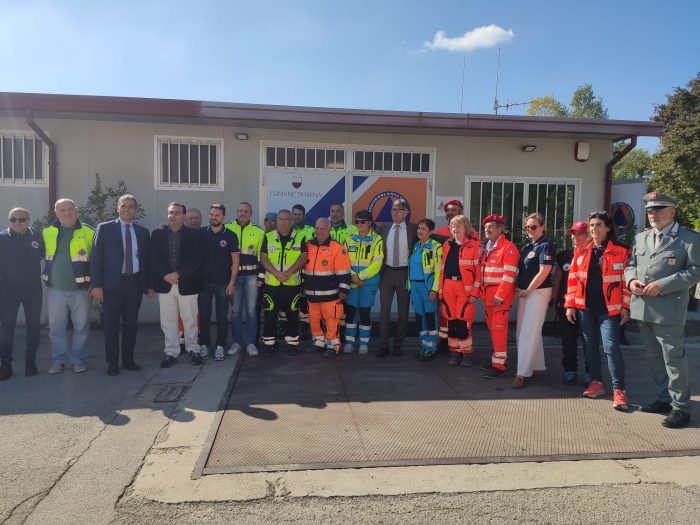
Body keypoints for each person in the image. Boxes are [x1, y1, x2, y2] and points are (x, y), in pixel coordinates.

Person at [625, 191, 700, 428]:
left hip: (669, 310)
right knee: (655, 358)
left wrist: (662, 285)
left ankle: (681, 408)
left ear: (672, 211)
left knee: (673, 360)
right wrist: (631, 281)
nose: (652, 214)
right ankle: (663, 399)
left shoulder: (689, 238)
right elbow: (631, 266)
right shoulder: (641, 238)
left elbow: (696, 270)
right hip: (643, 307)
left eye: (658, 209)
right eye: (649, 210)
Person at [565, 211, 631, 411]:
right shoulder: (582, 251)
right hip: (586, 308)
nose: (594, 229)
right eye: (591, 225)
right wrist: (570, 304)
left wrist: (626, 306)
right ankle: (596, 382)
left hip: (610, 310)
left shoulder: (622, 250)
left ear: (608, 228)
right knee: (589, 346)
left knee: (611, 348)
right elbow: (573, 279)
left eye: (599, 225)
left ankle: (619, 391)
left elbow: (627, 282)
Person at [90, 194, 153, 376]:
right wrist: (96, 285)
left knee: (131, 325)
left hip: (134, 284)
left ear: (136, 210)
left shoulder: (142, 232)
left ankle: (128, 360)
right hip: (111, 286)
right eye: (124, 206)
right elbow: (96, 259)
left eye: (131, 206)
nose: (127, 209)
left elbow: (146, 261)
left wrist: (148, 285)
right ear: (118, 208)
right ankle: (112, 362)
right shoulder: (104, 228)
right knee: (110, 326)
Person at [42, 198, 94, 374]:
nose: (66, 213)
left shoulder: (89, 232)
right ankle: (59, 360)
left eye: (70, 209)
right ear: (56, 212)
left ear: (76, 210)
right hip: (55, 289)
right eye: (62, 210)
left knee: (81, 328)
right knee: (56, 329)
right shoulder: (47, 232)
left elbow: (97, 260)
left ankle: (78, 360)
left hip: (81, 290)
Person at [150, 202, 204, 368]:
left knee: (190, 319)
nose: (173, 216)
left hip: (187, 283)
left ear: (184, 216)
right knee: (168, 321)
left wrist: (178, 274)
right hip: (165, 284)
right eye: (171, 213)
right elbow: (153, 258)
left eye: (177, 213)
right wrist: (165, 275)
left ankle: (193, 349)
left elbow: (197, 259)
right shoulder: (158, 234)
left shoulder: (194, 235)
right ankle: (171, 351)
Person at [0, 208, 44, 380]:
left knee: (33, 325)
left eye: (22, 219)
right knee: (7, 327)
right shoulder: (2, 238)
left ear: (29, 220)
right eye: (13, 219)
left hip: (32, 289)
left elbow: (47, 256)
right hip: (8, 290)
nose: (17, 222)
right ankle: (6, 363)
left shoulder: (37, 237)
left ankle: (30, 361)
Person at [259, 209, 307, 355]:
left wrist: (288, 273)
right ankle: (269, 344)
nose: (284, 222)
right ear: (277, 221)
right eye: (281, 219)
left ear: (291, 221)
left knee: (292, 315)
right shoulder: (268, 236)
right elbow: (263, 258)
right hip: (272, 284)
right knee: (270, 315)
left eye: (287, 219)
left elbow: (303, 258)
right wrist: (277, 274)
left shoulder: (300, 237)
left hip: (292, 284)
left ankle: (292, 345)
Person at [513, 212, 553, 389]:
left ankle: (522, 373)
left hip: (537, 293)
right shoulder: (528, 247)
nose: (530, 230)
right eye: (527, 227)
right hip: (524, 293)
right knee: (524, 330)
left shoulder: (546, 245)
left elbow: (544, 271)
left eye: (534, 226)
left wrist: (529, 289)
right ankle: (537, 365)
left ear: (543, 226)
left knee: (527, 333)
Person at [302, 217, 351, 357]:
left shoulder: (337, 247)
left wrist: (343, 290)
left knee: (332, 320)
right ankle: (318, 343)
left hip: (331, 294)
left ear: (329, 229)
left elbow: (344, 271)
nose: (319, 231)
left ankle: (332, 345)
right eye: (317, 228)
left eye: (322, 228)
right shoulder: (308, 246)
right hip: (312, 293)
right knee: (314, 319)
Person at [479, 214, 519, 379]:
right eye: (486, 227)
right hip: (488, 297)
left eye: (491, 227)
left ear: (500, 229)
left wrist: (500, 296)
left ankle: (499, 366)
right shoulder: (487, 247)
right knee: (493, 330)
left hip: (499, 299)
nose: (487, 230)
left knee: (499, 330)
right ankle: (498, 359)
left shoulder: (508, 248)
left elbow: (509, 275)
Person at [551, 221, 590, 385]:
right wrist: (553, 300)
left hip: (587, 307)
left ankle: (591, 373)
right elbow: (557, 280)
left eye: (580, 233)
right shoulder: (564, 255)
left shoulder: (594, 254)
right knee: (568, 340)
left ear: (588, 235)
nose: (576, 237)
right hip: (566, 305)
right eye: (573, 233)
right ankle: (570, 370)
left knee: (589, 341)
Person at [198, 204, 239, 361]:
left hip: (223, 283)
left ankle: (221, 345)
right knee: (204, 316)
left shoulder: (230, 235)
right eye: (212, 214)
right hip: (204, 283)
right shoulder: (201, 233)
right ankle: (205, 344)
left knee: (222, 316)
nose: (214, 217)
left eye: (217, 215)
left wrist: (232, 283)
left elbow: (235, 262)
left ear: (223, 217)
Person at [439, 215, 481, 366]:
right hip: (448, 287)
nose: (455, 229)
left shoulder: (475, 246)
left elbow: (479, 273)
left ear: (466, 228)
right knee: (451, 322)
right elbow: (441, 270)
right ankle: (454, 352)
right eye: (453, 226)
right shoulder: (447, 245)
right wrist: (440, 290)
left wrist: (475, 293)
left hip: (464, 289)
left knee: (463, 323)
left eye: (458, 226)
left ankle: (466, 353)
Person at [378, 198, 417, 357]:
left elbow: (431, 238)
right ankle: (383, 346)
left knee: (403, 313)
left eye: (399, 209)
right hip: (387, 273)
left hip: (404, 274)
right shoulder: (384, 227)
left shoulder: (414, 229)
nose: (395, 212)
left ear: (406, 213)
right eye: (393, 209)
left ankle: (398, 345)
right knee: (384, 311)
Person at [225, 202, 265, 356]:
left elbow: (263, 257)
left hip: (251, 277)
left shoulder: (258, 232)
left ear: (251, 214)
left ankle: (250, 343)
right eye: (240, 210)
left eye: (246, 211)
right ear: (236, 212)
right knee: (235, 312)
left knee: (251, 311)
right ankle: (236, 343)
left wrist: (261, 276)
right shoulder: (227, 228)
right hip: (233, 277)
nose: (243, 213)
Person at [343, 209, 383, 355]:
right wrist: (354, 276)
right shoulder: (349, 239)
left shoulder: (377, 239)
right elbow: (344, 261)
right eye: (357, 221)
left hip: (368, 283)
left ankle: (364, 343)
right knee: (351, 312)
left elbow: (377, 263)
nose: (359, 224)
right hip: (352, 282)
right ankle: (349, 342)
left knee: (365, 312)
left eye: (362, 221)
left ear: (369, 223)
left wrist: (360, 276)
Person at [408, 218, 442, 360]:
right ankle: (424, 346)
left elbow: (438, 271)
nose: (420, 231)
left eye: (423, 229)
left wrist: (434, 290)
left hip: (428, 288)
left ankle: (431, 348)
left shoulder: (436, 247)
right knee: (420, 318)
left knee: (430, 318)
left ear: (431, 231)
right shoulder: (416, 245)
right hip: (415, 288)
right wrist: (409, 287)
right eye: (419, 228)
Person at [292, 204, 315, 339]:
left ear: (304, 216)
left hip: (307, 271)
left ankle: (305, 328)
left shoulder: (311, 230)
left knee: (304, 299)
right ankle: (288, 327)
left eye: (299, 214)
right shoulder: (287, 229)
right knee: (291, 299)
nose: (296, 217)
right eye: (294, 214)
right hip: (291, 270)